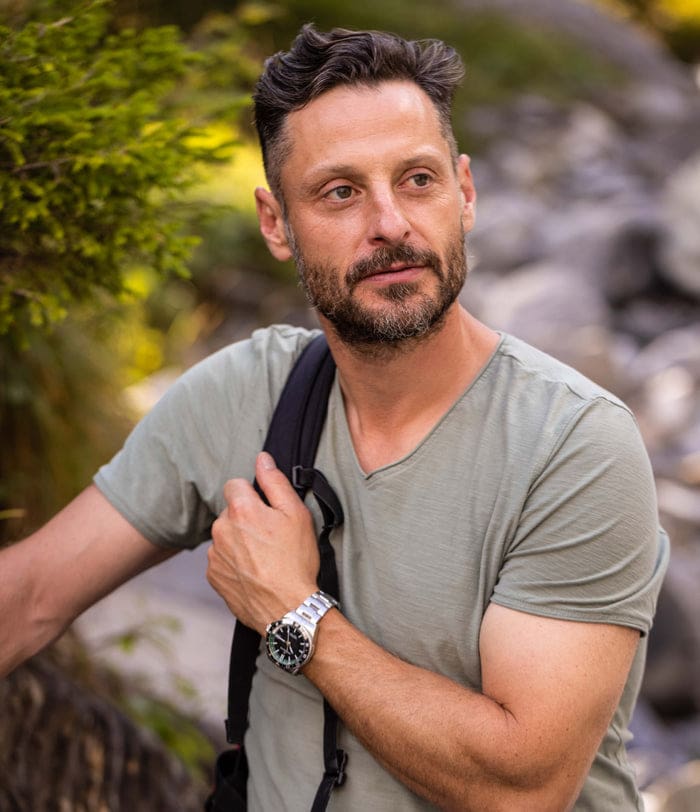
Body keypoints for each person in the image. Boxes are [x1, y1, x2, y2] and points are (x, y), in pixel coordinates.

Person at [0, 24, 668, 811]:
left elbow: (522, 787)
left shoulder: (573, 445)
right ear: (276, 223)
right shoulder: (241, 393)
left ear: (465, 192)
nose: (391, 223)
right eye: (340, 192)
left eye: (417, 180)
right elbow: (30, 596)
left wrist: (293, 612)